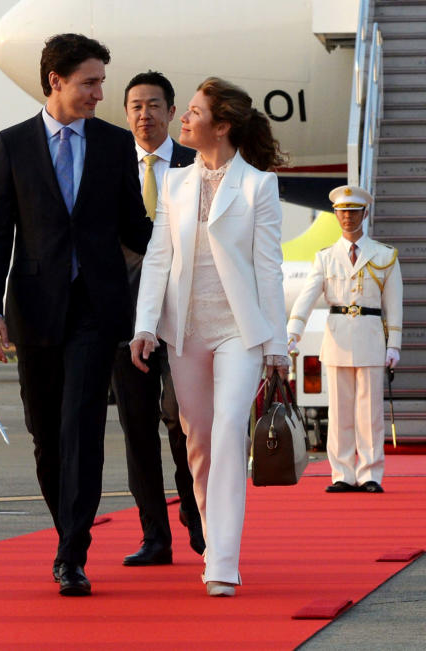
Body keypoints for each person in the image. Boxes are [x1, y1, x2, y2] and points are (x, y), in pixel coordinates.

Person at [0, 33, 152, 597]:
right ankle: (65, 531)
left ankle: (72, 552)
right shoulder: (12, 145)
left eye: (102, 81)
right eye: (90, 82)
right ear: (56, 81)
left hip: (98, 310)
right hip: (36, 309)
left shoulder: (114, 145)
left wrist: (194, 231)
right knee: (46, 435)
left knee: (82, 428)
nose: (101, 93)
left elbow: (136, 230)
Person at [131, 77, 288, 597]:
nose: (184, 120)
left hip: (238, 333)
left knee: (226, 436)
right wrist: (146, 325)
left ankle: (222, 560)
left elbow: (269, 268)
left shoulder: (258, 185)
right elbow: (158, 257)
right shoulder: (175, 183)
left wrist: (277, 347)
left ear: (220, 126)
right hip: (185, 331)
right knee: (197, 443)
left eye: (193, 113)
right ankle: (215, 542)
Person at [113, 71, 203, 566]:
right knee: (137, 427)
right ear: (126, 115)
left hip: (186, 318)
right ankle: (155, 535)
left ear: (172, 112)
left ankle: (194, 509)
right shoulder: (108, 168)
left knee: (183, 421)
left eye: (154, 105)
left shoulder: (196, 165)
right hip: (126, 321)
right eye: (135, 107)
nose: (144, 115)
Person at [287, 185, 402, 494]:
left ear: (365, 214)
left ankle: (369, 473)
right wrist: (293, 333)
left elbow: (394, 305)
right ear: (335, 215)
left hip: (370, 337)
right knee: (339, 413)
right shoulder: (325, 258)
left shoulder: (384, 256)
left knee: (370, 413)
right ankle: (342, 473)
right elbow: (307, 298)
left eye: (353, 212)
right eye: (342, 212)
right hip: (337, 339)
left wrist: (394, 346)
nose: (347, 217)